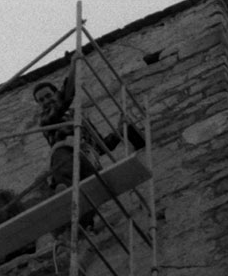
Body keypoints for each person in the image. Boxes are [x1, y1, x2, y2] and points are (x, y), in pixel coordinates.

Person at [33, 57, 144, 192]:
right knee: (63, 157)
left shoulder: (78, 115)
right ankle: (64, 187)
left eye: (48, 96)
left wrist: (120, 131)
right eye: (41, 100)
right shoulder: (44, 119)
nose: (46, 101)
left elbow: (99, 146)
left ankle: (76, 197)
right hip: (67, 152)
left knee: (89, 196)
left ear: (55, 94)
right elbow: (65, 97)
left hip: (87, 157)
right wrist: (74, 65)